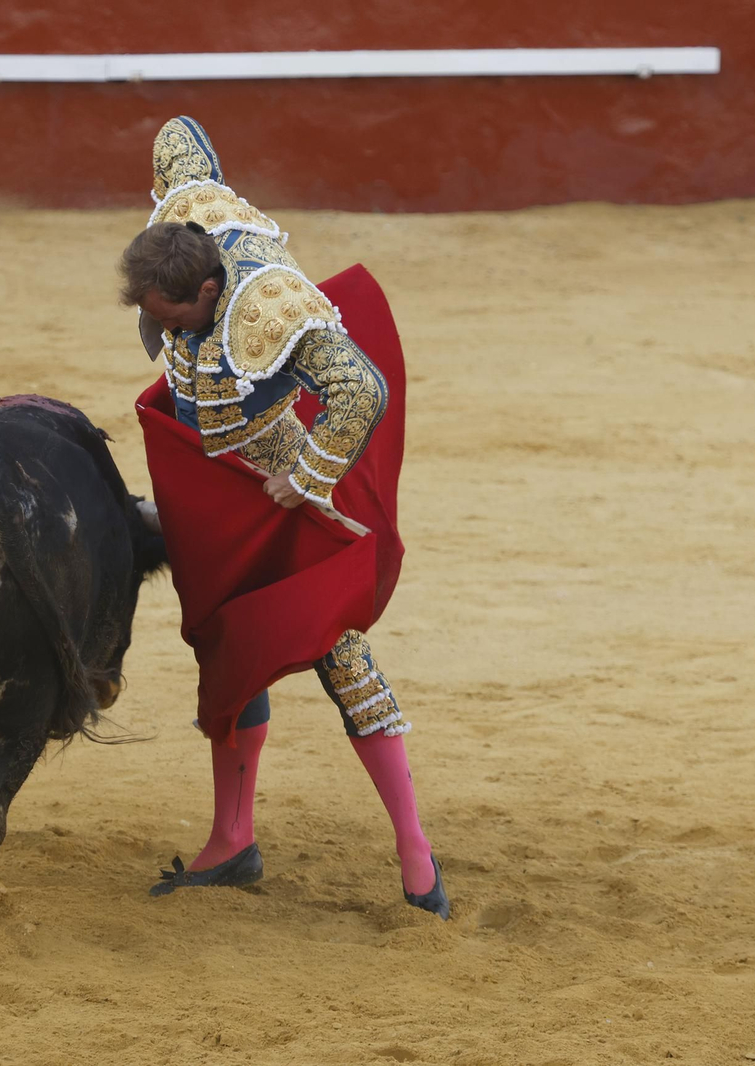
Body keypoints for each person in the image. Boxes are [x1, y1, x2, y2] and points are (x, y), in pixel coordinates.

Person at [118, 116, 449, 918]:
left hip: (273, 486)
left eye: (174, 318)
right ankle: (232, 841)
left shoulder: (271, 304)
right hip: (208, 487)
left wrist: (305, 477)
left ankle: (416, 855)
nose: (165, 331)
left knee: (341, 656)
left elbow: (361, 390)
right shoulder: (184, 223)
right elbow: (179, 138)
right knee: (228, 648)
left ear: (208, 292)